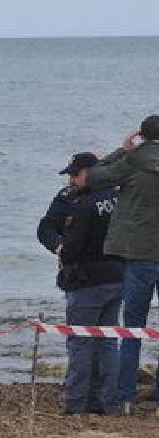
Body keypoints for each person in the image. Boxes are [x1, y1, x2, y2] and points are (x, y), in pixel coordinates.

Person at [88, 116, 159, 414]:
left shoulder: (132, 162)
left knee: (132, 327)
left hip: (140, 255)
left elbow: (94, 177)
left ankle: (126, 396)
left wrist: (123, 149)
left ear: (142, 135)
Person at [45, 152, 122, 415]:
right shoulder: (116, 196)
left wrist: (63, 249)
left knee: (81, 342)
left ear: (88, 173)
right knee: (108, 341)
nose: (71, 179)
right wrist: (56, 243)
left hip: (87, 280)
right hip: (116, 276)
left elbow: (73, 249)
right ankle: (108, 402)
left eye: (75, 174)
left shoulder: (85, 204)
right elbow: (45, 227)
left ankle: (77, 403)